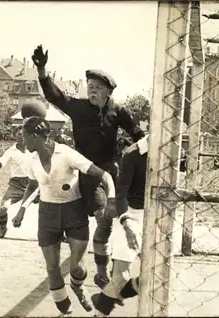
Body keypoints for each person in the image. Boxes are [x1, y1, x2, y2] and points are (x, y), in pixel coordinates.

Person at [31, 45, 146, 288]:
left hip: (112, 171)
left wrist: (146, 147)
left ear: (108, 92)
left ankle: (113, 263)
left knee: (120, 218)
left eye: (97, 88)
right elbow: (54, 96)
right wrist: (42, 70)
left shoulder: (118, 110)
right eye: (90, 87)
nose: (92, 91)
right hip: (88, 171)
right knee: (104, 218)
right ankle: (102, 272)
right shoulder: (79, 107)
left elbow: (136, 132)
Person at [12, 116, 117, 316]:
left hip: (73, 212)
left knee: (77, 268)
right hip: (47, 214)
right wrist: (22, 209)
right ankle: (66, 310)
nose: (22, 140)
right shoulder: (30, 159)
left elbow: (105, 175)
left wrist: (111, 198)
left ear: (35, 136)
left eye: (24, 136)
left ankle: (78, 286)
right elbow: (33, 186)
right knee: (52, 267)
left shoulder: (66, 154)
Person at [91, 135, 149, 316]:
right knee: (121, 277)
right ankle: (102, 309)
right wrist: (127, 223)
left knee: (156, 277)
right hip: (132, 214)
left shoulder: (173, 150)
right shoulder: (132, 154)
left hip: (158, 216)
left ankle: (107, 298)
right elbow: (121, 194)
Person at [0, 125, 39, 239]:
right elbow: (0, 163)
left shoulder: (34, 149)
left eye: (24, 135)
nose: (22, 137)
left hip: (34, 183)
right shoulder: (11, 151)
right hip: (16, 184)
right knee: (3, 208)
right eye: (19, 135)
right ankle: (2, 228)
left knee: (53, 205)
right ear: (15, 136)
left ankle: (59, 233)